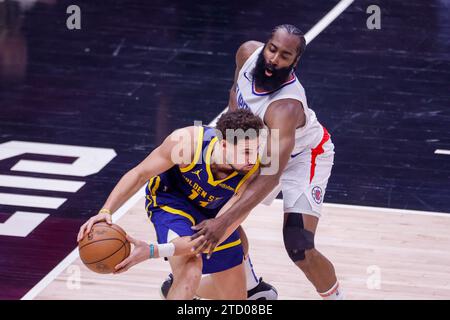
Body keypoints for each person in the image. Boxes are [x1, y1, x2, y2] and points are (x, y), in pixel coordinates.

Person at [190, 24, 345, 300]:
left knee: (299, 245)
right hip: (259, 148)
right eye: (272, 49)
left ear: (295, 62)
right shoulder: (247, 54)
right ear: (265, 44)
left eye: (285, 56)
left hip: (304, 157)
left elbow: (271, 174)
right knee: (215, 209)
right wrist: (232, 146)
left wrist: (225, 220)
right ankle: (253, 290)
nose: (274, 59)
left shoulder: (286, 106)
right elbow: (235, 96)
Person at [77, 109, 272, 300]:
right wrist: (106, 210)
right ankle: (181, 286)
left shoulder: (256, 171)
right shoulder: (187, 143)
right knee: (191, 271)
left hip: (212, 213)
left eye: (256, 150)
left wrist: (152, 251)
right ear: (223, 145)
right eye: (246, 152)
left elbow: (207, 240)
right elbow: (140, 174)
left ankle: (174, 288)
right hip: (170, 200)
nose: (252, 158)